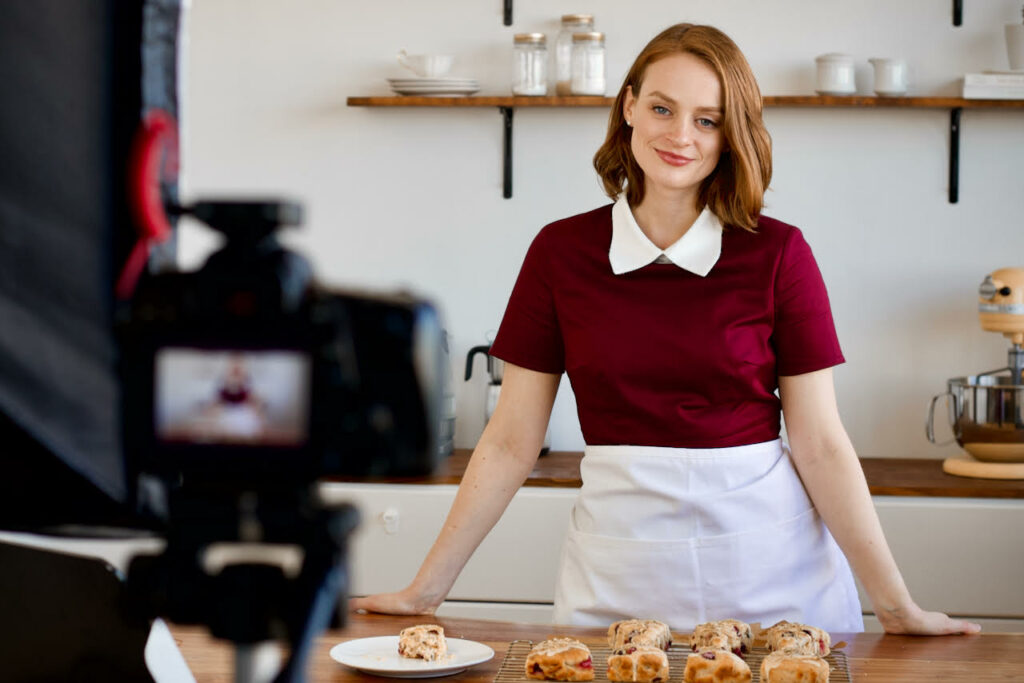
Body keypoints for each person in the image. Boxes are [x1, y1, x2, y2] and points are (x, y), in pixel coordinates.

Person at [350, 23, 981, 635]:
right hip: (617, 575)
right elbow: (510, 440)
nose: (682, 135)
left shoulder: (779, 254)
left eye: (707, 120)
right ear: (628, 106)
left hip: (771, 575)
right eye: (662, 108)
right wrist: (424, 590)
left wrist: (896, 607)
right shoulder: (561, 252)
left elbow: (820, 444)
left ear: (730, 134)